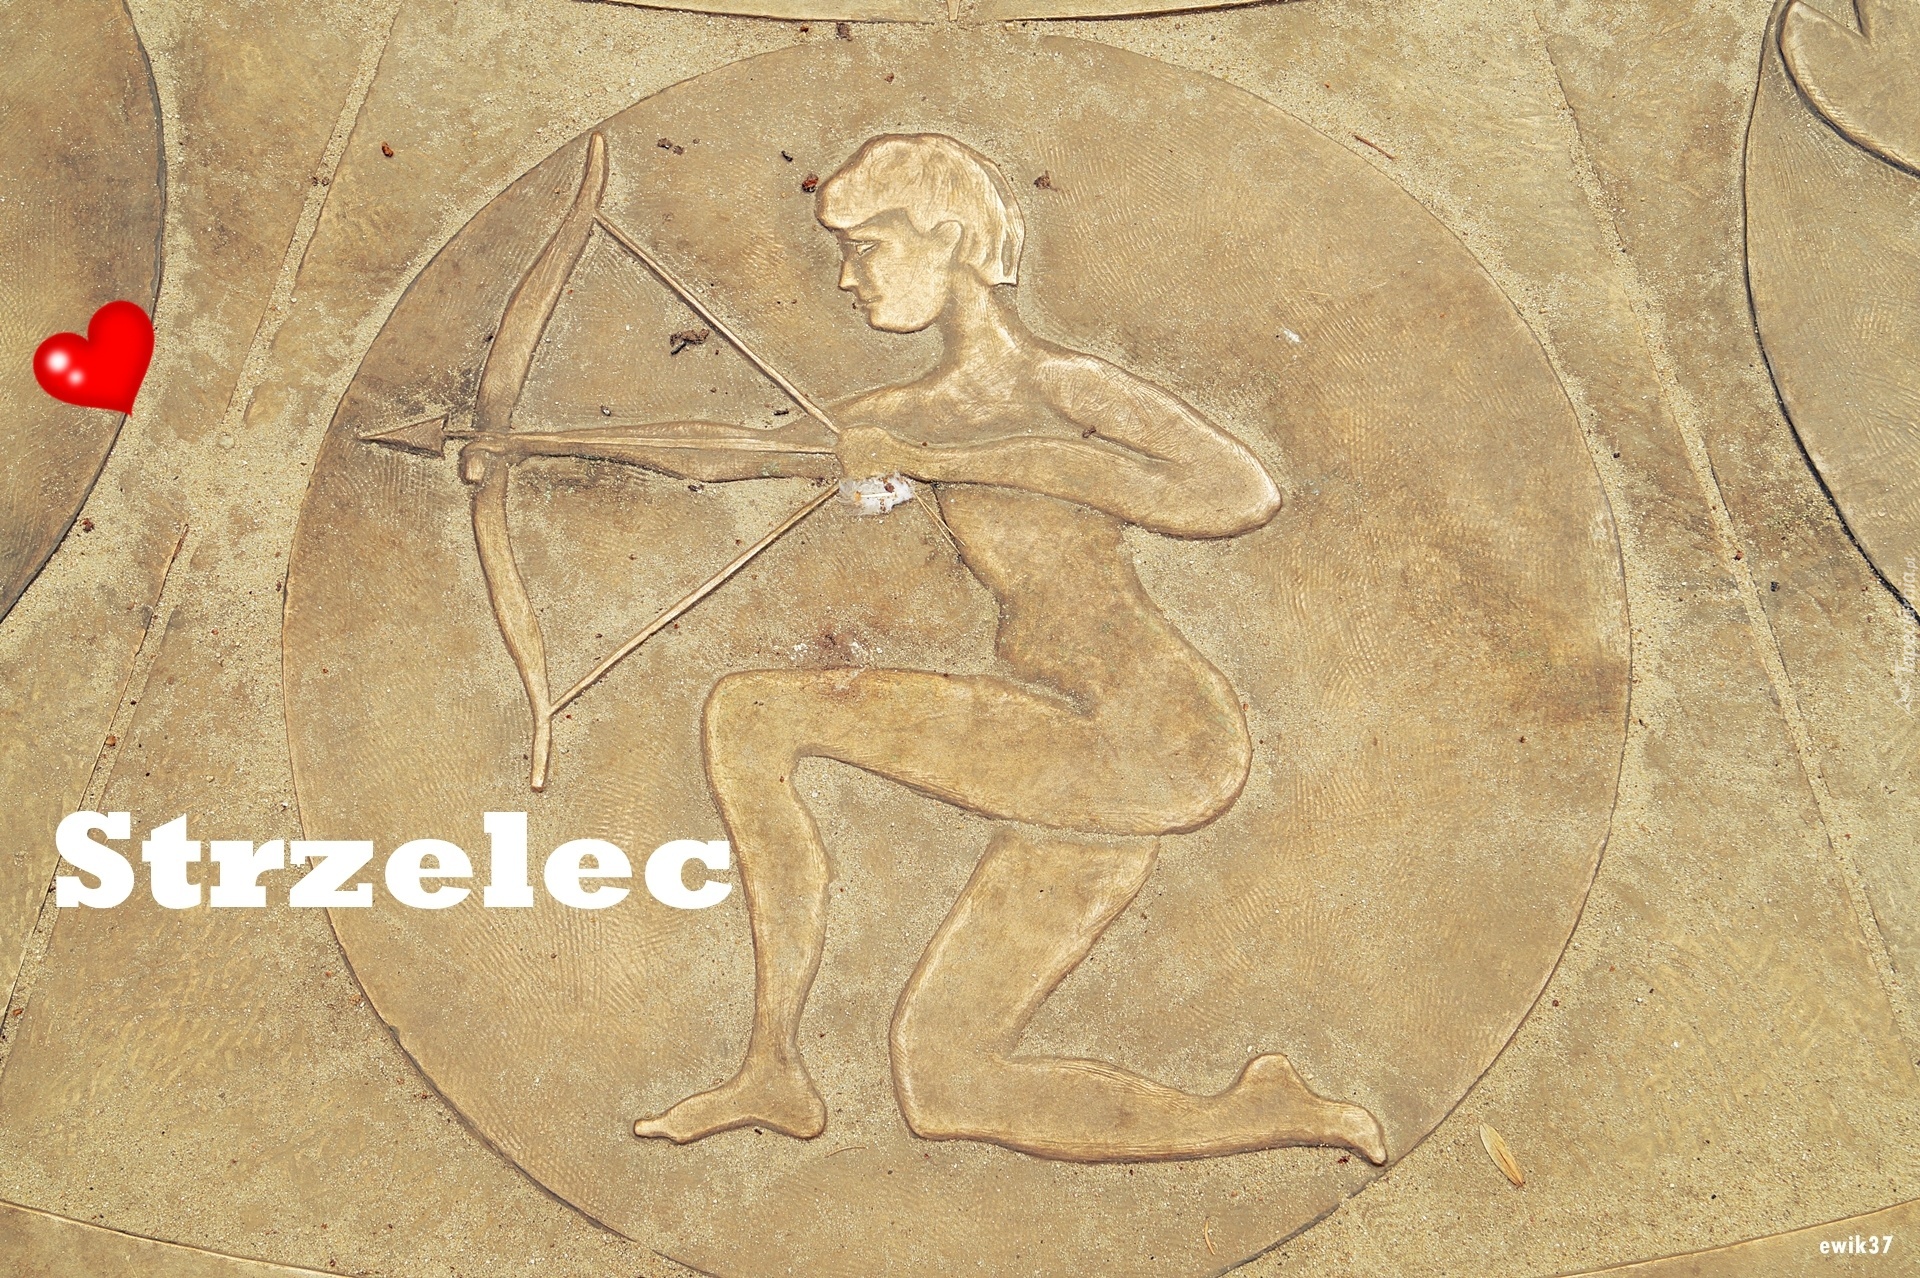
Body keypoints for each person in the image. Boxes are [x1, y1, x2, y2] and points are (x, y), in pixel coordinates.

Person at [464, 133, 1385, 1164]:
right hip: (1071, 756)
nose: (846, 276)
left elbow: (1240, 492)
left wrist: (962, 461)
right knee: (947, 1082)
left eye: (866, 247)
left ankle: (773, 1062)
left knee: (752, 712)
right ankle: (1264, 1111)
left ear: (946, 239)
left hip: (1149, 731)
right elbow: (738, 455)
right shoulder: (900, 417)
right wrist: (528, 445)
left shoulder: (1065, 387)